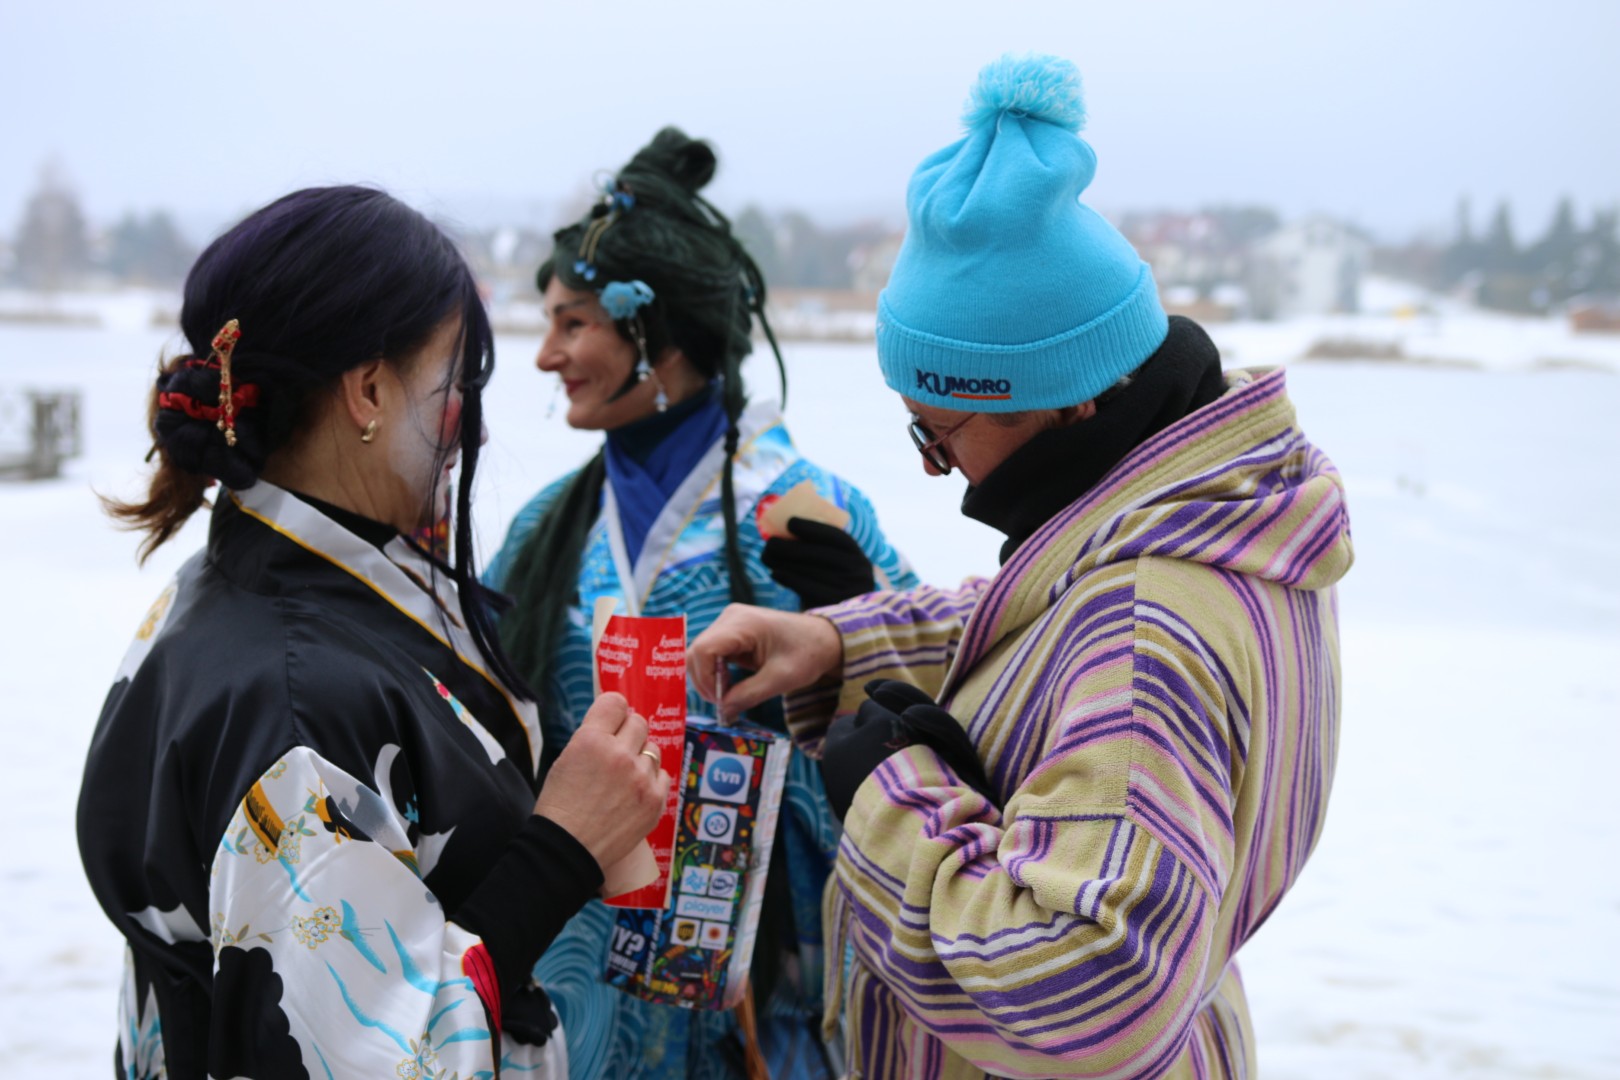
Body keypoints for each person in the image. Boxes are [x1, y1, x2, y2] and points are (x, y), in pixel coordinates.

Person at [689, 54, 1353, 1079]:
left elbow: (1096, 991)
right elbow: (1043, 624)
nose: (937, 464)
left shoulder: (1148, 630)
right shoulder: (1191, 515)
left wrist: (891, 799)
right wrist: (837, 645)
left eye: (941, 430)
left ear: (1065, 392)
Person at [77, 186, 670, 1079]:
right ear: (368, 391)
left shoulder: (254, 581)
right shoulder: (297, 701)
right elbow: (360, 1057)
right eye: (454, 383)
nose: (466, 426)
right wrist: (561, 849)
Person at [484, 128, 917, 1079]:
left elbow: (934, 711)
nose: (546, 355)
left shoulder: (808, 514)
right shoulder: (546, 527)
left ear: (663, 333)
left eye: (573, 324)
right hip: (585, 990)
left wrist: (858, 633)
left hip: (768, 996)